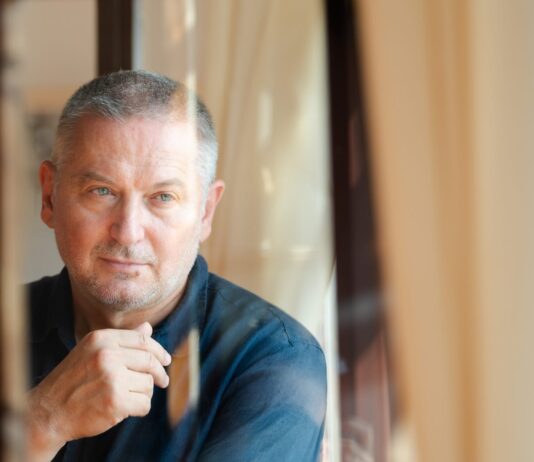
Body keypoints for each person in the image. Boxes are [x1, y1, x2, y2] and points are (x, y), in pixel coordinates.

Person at [27, 70, 327, 462]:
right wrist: (42, 423)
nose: (128, 232)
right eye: (101, 191)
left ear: (205, 211)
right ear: (50, 196)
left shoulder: (272, 358)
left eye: (163, 197)